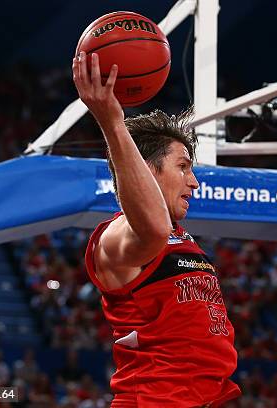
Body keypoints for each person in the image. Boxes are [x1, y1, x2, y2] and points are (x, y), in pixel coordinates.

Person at [73, 51, 240, 407]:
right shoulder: (116, 237)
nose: (194, 182)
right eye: (183, 167)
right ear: (147, 170)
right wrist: (114, 124)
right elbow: (152, 228)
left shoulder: (181, 238)